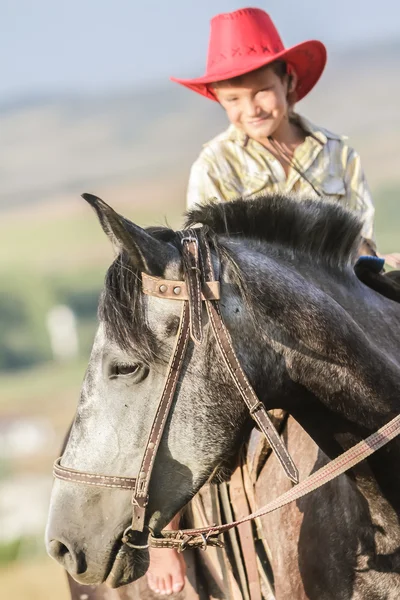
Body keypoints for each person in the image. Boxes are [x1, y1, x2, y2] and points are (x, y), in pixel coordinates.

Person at [146, 5, 386, 595]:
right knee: (191, 398)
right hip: (257, 323)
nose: (250, 108)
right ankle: (166, 536)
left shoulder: (336, 151)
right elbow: (207, 259)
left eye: (260, 92)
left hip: (342, 306)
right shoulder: (215, 166)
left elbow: (360, 238)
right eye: (233, 99)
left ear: (290, 84)